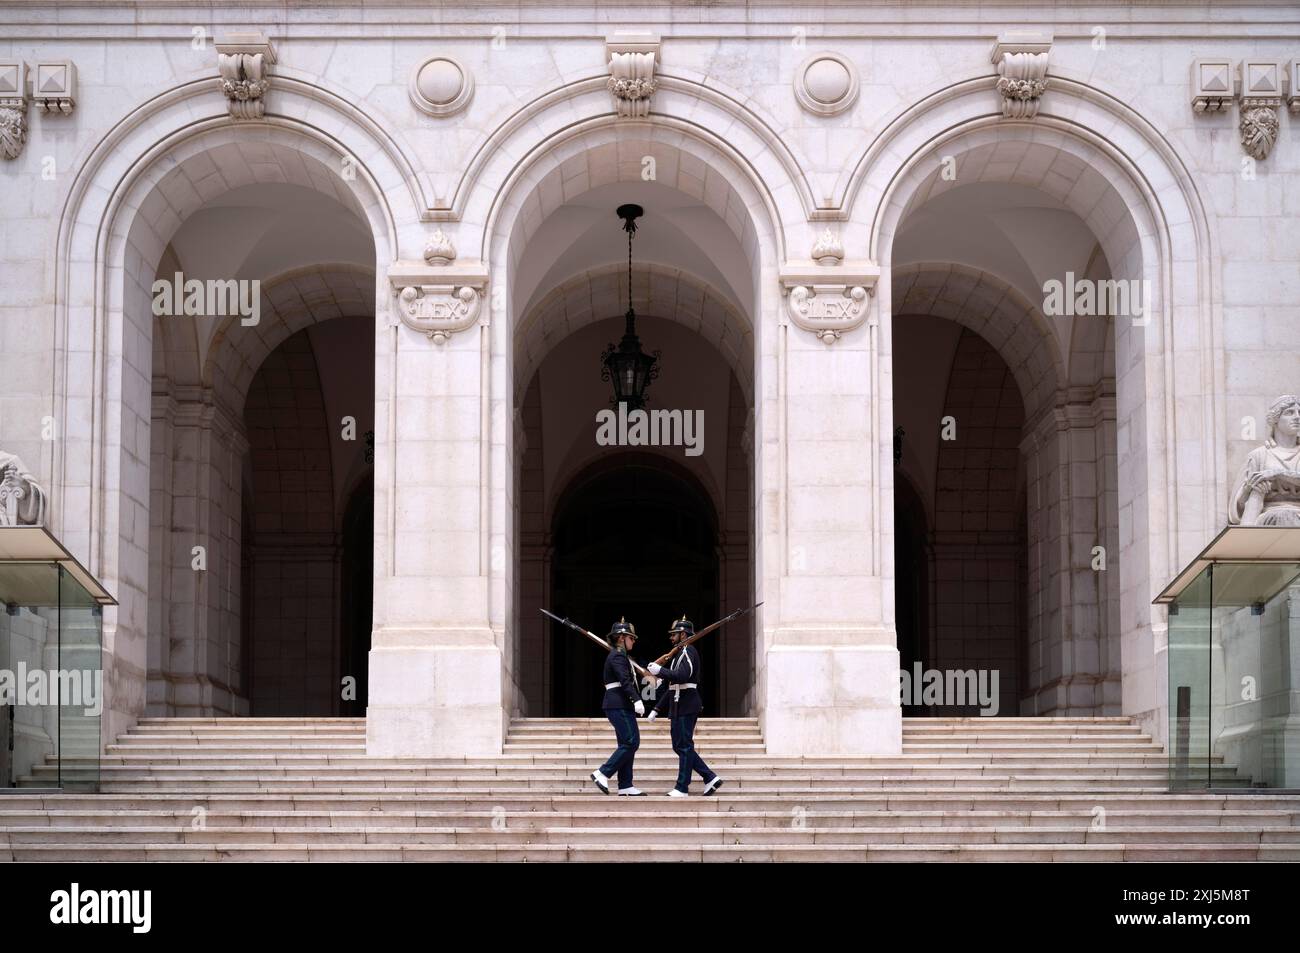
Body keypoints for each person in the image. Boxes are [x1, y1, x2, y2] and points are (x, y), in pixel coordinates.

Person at [647, 616, 722, 797]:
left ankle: (682, 787)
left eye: (674, 635)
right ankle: (709, 777)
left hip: (687, 704)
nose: (671, 638)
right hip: (678, 705)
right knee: (680, 746)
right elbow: (672, 687)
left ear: (683, 634)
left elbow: (683, 675)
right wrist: (656, 708)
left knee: (685, 746)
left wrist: (660, 671)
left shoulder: (688, 651)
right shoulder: (678, 654)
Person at [591, 618, 646, 796]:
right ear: (622, 638)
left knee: (626, 743)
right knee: (631, 741)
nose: (634, 641)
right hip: (618, 704)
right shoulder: (617, 656)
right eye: (631, 638)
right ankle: (602, 773)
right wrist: (637, 699)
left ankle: (625, 785)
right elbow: (625, 681)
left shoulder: (620, 656)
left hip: (621, 704)